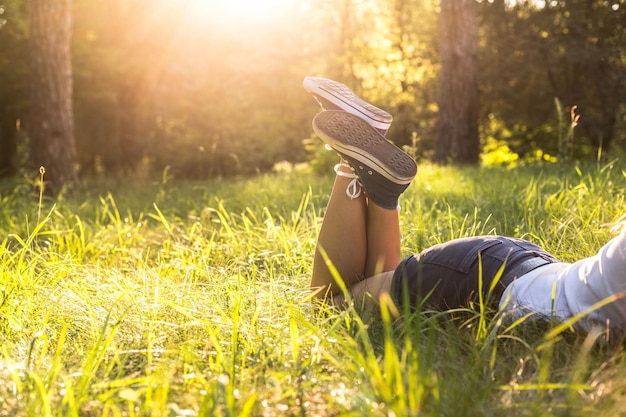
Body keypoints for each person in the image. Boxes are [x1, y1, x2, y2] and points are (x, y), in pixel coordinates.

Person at [303, 76, 626, 335]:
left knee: (376, 283)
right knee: (331, 306)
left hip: (521, 266)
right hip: (482, 280)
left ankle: (376, 183)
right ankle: (351, 165)